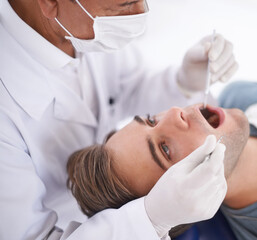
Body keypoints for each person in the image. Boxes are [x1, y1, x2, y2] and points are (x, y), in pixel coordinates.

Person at [0, 0, 239, 239]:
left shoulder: (88, 29)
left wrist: (183, 82)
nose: (139, 13)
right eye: (124, 4)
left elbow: (129, 87)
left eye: (150, 120)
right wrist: (149, 222)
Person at [66, 81, 257, 239]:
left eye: (151, 119)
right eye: (165, 150)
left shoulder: (244, 95)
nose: (173, 112)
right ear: (185, 196)